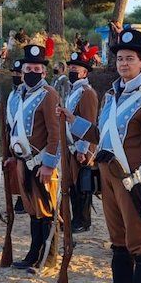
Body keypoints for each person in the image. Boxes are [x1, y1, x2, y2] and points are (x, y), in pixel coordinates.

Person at [64, 24, 141, 283]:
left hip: (133, 181)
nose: (123, 63)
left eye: (130, 59)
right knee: (118, 241)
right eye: (120, 58)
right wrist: (73, 121)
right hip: (107, 175)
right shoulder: (110, 96)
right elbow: (101, 135)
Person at [7, 40, 61, 271]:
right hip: (23, 161)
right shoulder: (20, 94)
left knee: (46, 210)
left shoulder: (49, 94)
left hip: (41, 163)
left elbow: (55, 133)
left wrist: (48, 165)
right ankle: (33, 252)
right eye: (28, 69)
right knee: (32, 210)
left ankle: (48, 257)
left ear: (44, 71)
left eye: (36, 69)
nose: (31, 73)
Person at [56, 45, 100, 233]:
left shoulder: (87, 92)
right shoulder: (74, 90)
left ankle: (83, 221)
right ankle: (76, 218)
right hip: (70, 145)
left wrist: (83, 150)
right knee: (73, 184)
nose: (73, 70)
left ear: (84, 72)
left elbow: (88, 122)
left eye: (77, 68)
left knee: (83, 185)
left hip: (80, 148)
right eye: (71, 67)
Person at [6, 59, 27, 215]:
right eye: (14, 73)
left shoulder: (27, 92)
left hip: (24, 136)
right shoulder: (12, 93)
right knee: (15, 170)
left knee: (25, 169)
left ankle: (24, 198)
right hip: (13, 134)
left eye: (19, 73)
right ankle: (19, 197)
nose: (16, 75)